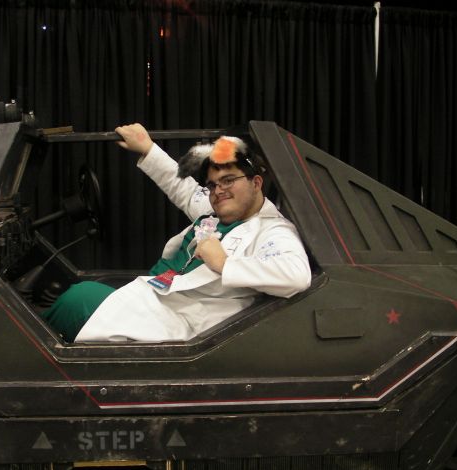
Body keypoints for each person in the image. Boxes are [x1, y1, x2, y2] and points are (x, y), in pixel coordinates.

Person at [42, 123, 311, 342]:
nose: (218, 191)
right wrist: (148, 148)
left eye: (228, 180)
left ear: (256, 183)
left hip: (177, 317)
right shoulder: (218, 208)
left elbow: (296, 275)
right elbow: (184, 189)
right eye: (213, 184)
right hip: (153, 294)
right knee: (76, 297)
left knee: (78, 300)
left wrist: (224, 263)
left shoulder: (273, 230)